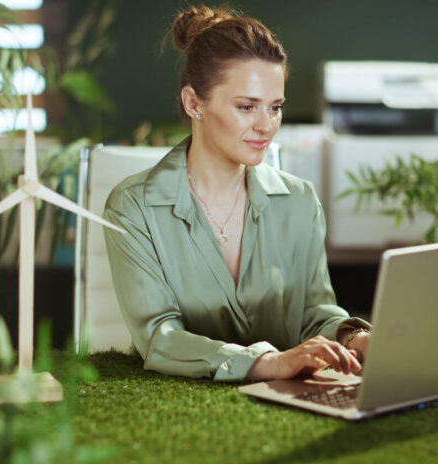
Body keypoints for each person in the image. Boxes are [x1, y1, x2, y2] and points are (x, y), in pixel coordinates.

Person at [103, 5, 371, 382]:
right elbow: (158, 337)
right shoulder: (132, 207)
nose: (266, 126)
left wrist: (355, 338)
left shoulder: (300, 201)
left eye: (275, 107)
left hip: (291, 407)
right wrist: (266, 363)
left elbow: (315, 314)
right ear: (193, 102)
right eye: (246, 107)